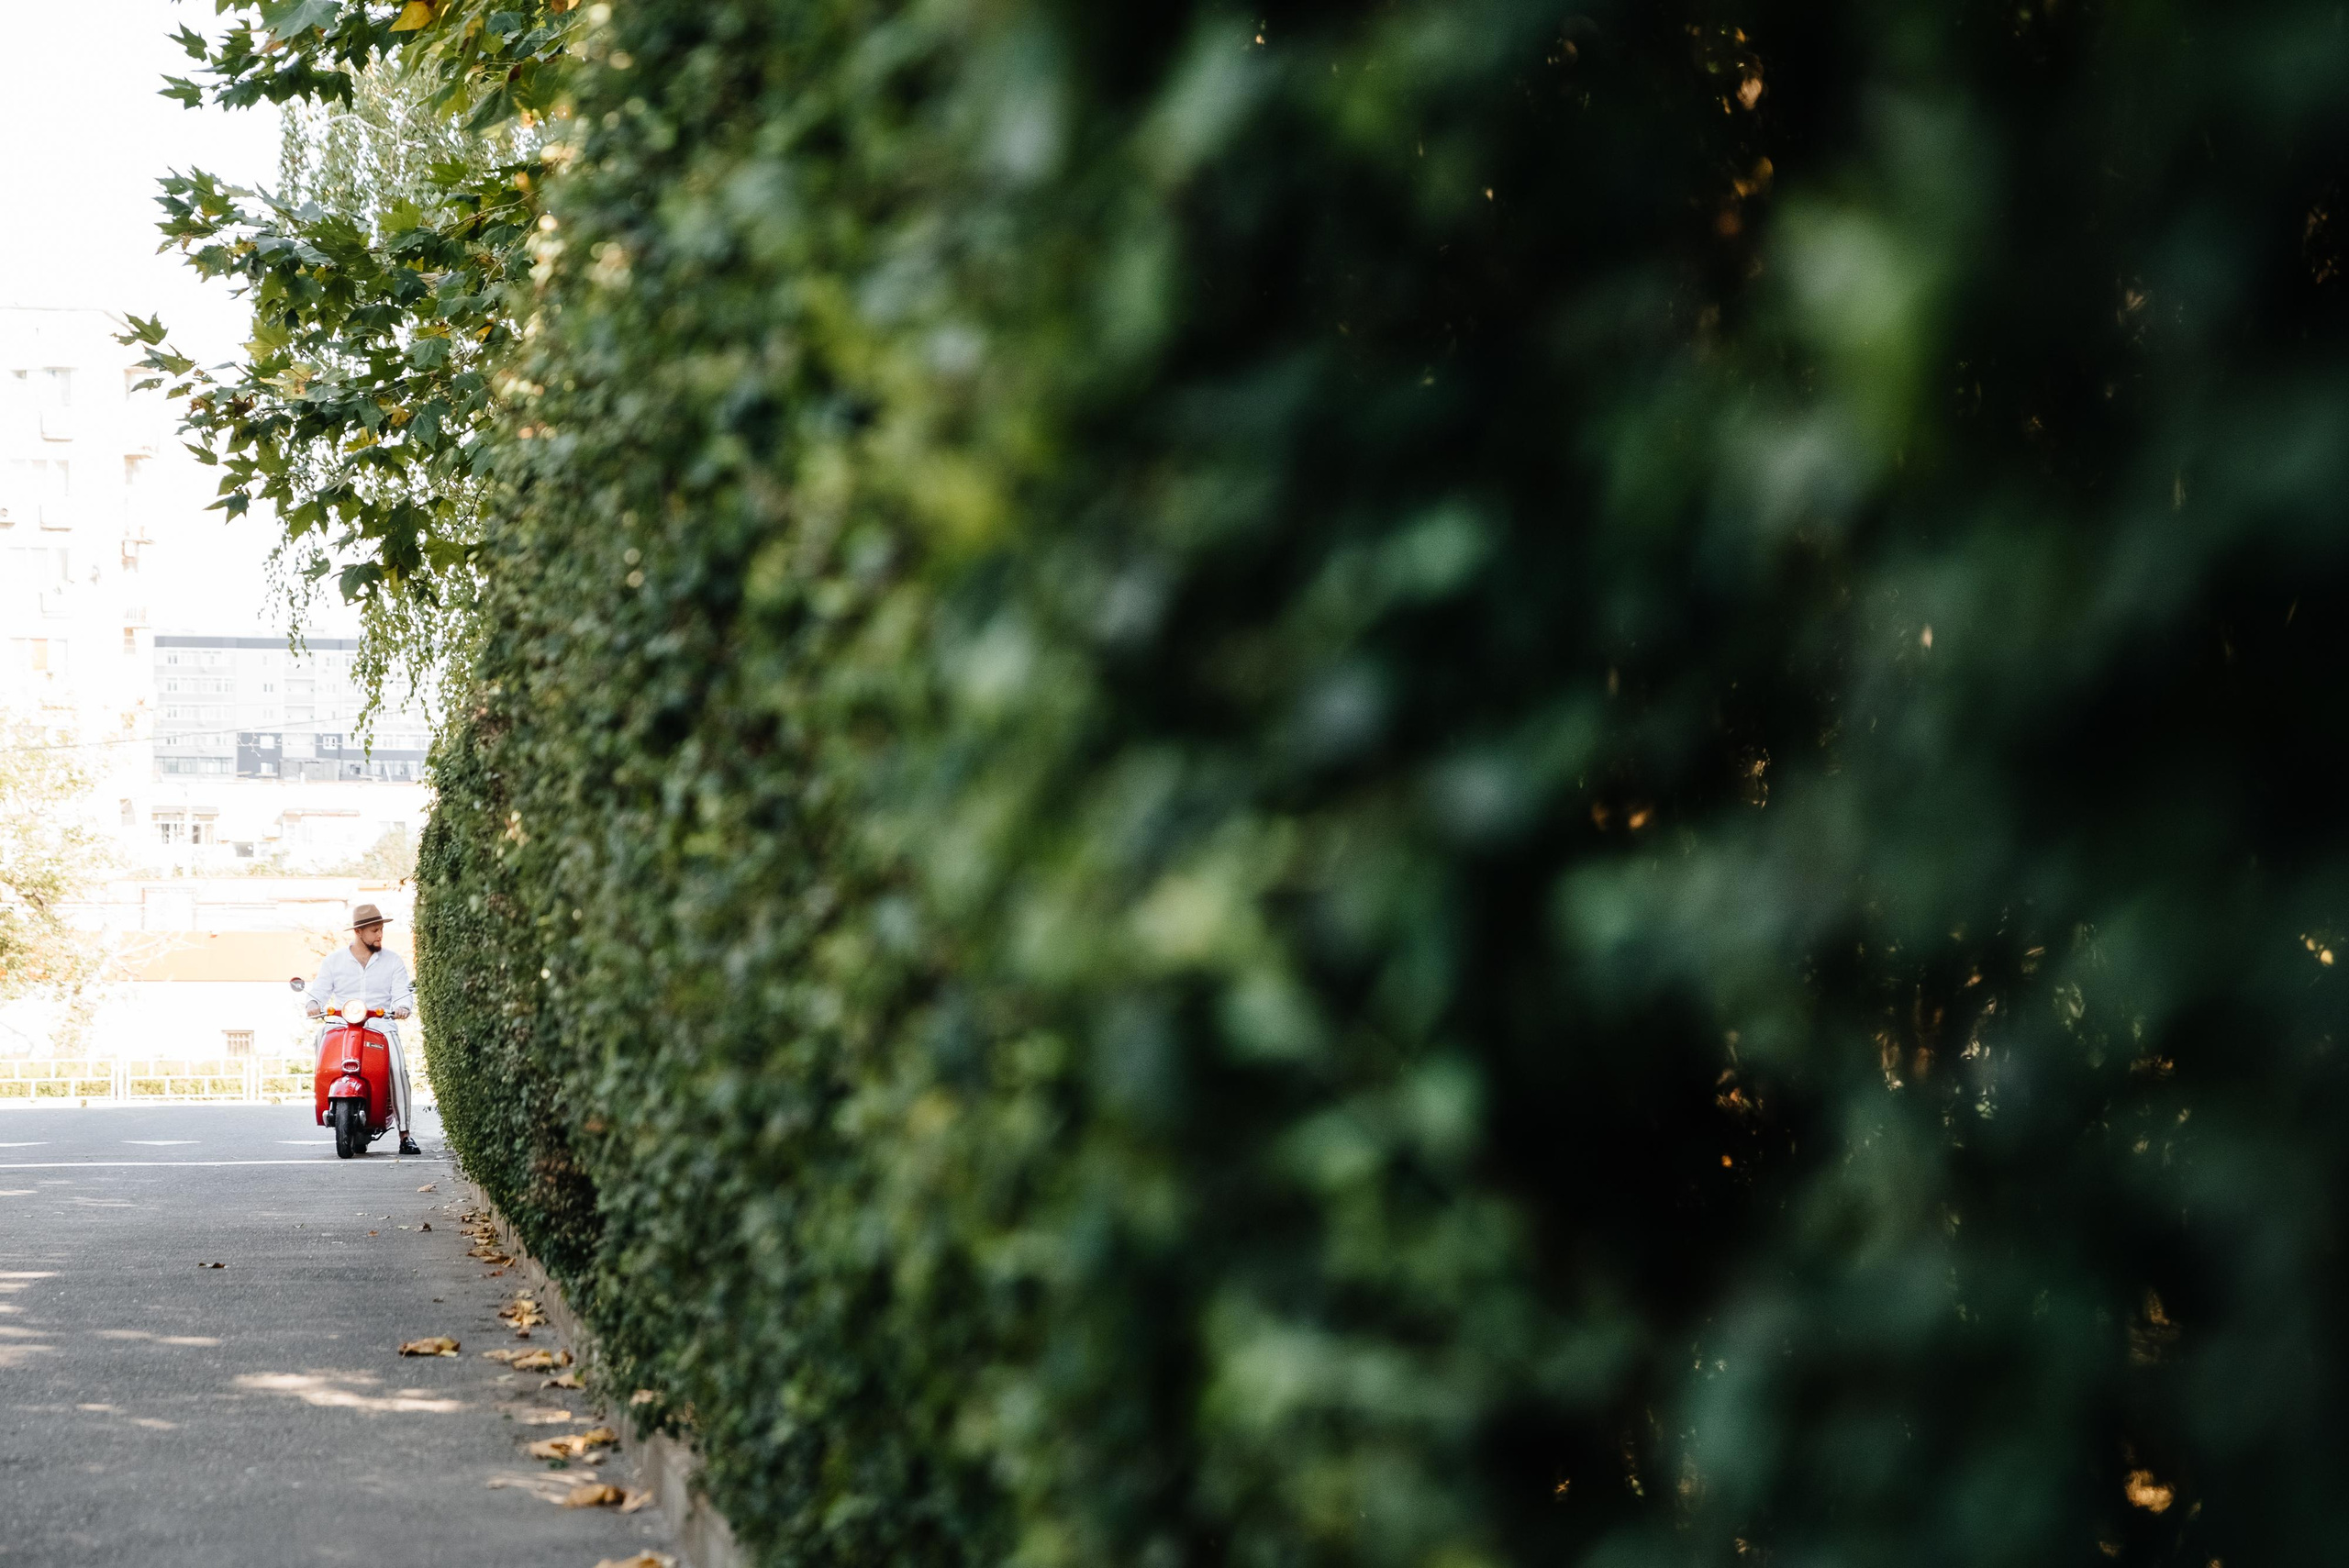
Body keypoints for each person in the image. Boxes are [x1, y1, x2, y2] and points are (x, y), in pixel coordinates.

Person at [304, 903, 420, 1155]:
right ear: (359, 932)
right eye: (375, 930)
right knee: (320, 1042)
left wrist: (402, 1007)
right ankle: (328, 1101)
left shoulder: (392, 961)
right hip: (341, 1023)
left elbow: (402, 993)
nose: (380, 935)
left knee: (398, 1068)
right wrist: (313, 1004)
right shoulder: (334, 961)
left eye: (381, 930)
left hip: (380, 1024)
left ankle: (405, 1134)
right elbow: (318, 992)